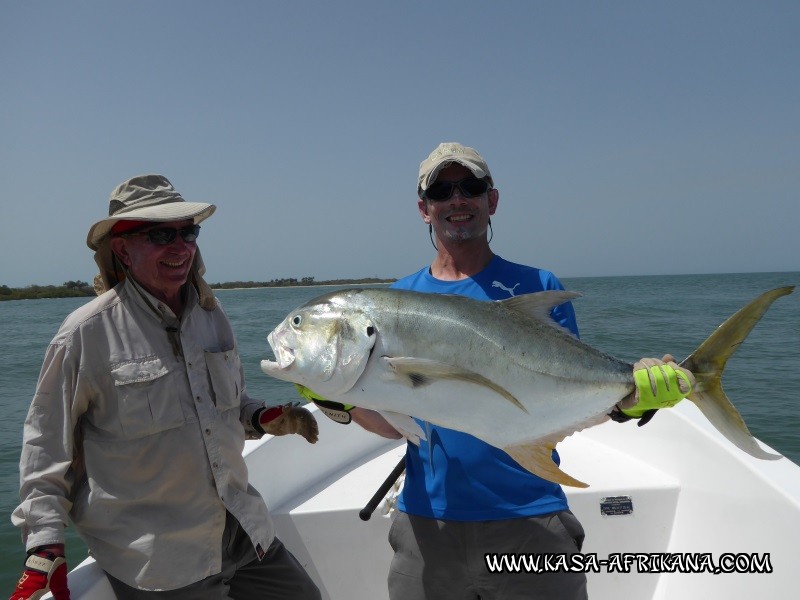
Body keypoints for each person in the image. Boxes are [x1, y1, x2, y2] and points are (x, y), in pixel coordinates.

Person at [310, 142, 694, 600]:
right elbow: (395, 425)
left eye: (470, 187)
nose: (457, 200)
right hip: (428, 524)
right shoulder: (398, 302)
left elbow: (560, 395)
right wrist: (336, 400)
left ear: (491, 200)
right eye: (442, 191)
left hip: (531, 517)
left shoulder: (538, 287)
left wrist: (631, 403)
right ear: (423, 209)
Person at [10, 175, 322, 600]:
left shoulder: (211, 315)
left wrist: (261, 417)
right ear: (122, 248)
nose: (181, 247)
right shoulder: (85, 333)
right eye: (161, 234)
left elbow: (221, 408)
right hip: (160, 559)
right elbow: (46, 443)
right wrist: (44, 541)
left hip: (242, 529)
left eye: (188, 231)